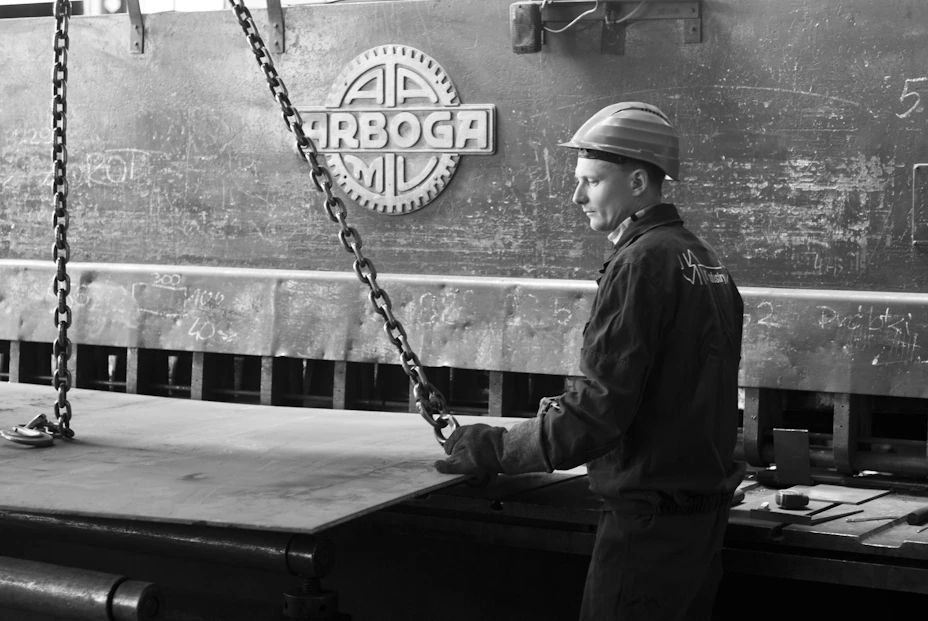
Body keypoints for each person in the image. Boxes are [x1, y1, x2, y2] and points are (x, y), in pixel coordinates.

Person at [435, 102, 745, 620]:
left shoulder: (641, 263)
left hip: (647, 528)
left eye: (593, 182)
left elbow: (601, 412)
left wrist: (497, 449)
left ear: (639, 181)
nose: (577, 196)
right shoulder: (704, 259)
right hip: (698, 522)